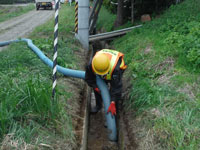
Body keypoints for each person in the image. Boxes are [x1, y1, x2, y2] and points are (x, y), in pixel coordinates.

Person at [85, 49, 127, 116]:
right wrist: (94, 86)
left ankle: (115, 112)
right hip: (104, 62)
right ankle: (98, 106)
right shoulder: (91, 65)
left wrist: (113, 101)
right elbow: (89, 77)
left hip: (115, 66)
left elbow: (116, 86)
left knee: (113, 90)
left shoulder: (116, 69)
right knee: (98, 86)